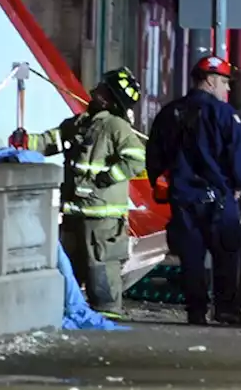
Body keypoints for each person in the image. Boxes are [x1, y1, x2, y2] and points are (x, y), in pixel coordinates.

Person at [10, 67, 146, 320]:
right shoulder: (82, 123)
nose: (96, 91)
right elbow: (53, 141)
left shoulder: (116, 127)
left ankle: (107, 312)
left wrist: (107, 177)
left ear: (111, 98)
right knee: (69, 262)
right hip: (74, 209)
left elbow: (137, 159)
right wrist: (26, 142)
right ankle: (67, 308)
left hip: (102, 213)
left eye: (103, 89)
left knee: (101, 263)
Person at [145, 55, 241, 326]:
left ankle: (196, 311)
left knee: (191, 256)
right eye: (225, 82)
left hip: (183, 198)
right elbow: (238, 155)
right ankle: (226, 309)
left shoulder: (169, 113)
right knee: (226, 254)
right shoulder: (225, 115)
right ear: (211, 80)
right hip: (218, 199)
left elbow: (154, 156)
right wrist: (240, 185)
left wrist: (161, 182)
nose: (227, 89)